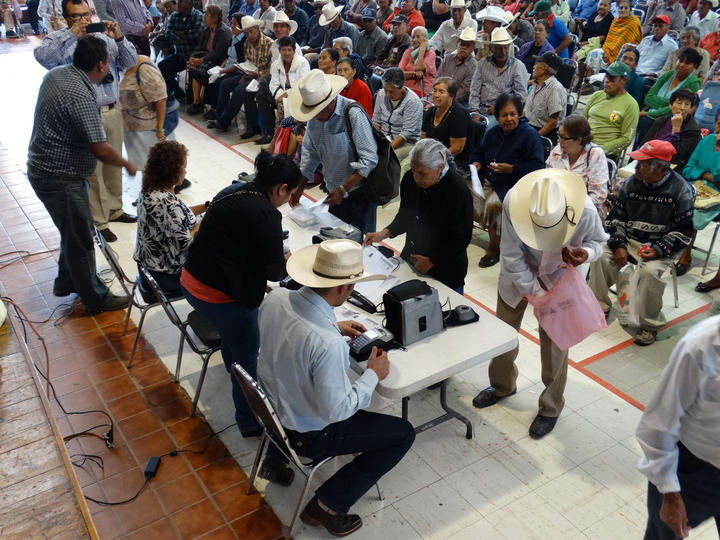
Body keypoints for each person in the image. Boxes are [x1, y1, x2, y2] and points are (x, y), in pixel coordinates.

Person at [257, 239, 415, 537]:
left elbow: (292, 336)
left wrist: (332, 325)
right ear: (344, 289)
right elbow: (337, 409)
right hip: (310, 434)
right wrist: (372, 375)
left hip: (273, 411)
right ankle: (328, 505)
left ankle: (274, 462)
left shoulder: (276, 297)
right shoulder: (327, 344)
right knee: (403, 434)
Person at [472, 168, 609, 438]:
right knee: (504, 335)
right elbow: (511, 256)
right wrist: (535, 293)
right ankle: (502, 386)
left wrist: (587, 253)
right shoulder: (514, 201)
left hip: (560, 279)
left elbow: (599, 242)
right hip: (517, 278)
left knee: (556, 346)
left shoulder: (586, 211)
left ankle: (550, 408)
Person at [181, 151, 301, 437]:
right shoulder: (267, 214)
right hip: (221, 298)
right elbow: (274, 273)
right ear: (281, 188)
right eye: (290, 194)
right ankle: (247, 422)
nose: (288, 201)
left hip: (190, 283)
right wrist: (289, 263)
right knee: (247, 362)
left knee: (234, 342)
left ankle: (231, 366)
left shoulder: (232, 190)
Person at [28, 36, 135, 314]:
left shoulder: (58, 75)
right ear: (101, 64)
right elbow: (100, 148)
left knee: (73, 230)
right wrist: (127, 164)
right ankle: (95, 298)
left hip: (45, 168)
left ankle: (65, 281)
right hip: (59, 177)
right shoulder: (80, 94)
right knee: (81, 239)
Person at [34, 0, 139, 244]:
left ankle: (115, 209)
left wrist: (120, 38)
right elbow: (43, 59)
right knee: (93, 171)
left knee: (112, 168)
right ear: (66, 17)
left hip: (112, 109)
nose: (83, 21)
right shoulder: (58, 38)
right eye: (76, 17)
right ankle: (99, 221)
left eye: (86, 15)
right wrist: (71, 35)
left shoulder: (103, 38)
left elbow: (130, 61)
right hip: (84, 113)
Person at [588, 140, 694, 346]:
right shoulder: (630, 184)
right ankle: (598, 306)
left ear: (660, 167)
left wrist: (657, 250)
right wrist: (619, 245)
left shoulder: (681, 190)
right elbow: (615, 218)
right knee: (600, 255)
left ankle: (648, 325)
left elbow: (683, 232)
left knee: (649, 273)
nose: (635, 167)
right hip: (629, 239)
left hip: (661, 246)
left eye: (642, 163)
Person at [636, 315, 720, 540]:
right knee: (664, 535)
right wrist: (670, 494)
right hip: (693, 473)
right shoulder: (700, 346)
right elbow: (657, 426)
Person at [364, 139, 473, 291]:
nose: (416, 177)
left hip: (446, 269)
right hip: (412, 257)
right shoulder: (410, 179)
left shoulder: (457, 189)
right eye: (414, 170)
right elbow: (405, 215)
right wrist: (384, 233)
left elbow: (462, 237)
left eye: (422, 174)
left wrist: (432, 260)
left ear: (440, 167)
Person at [291, 69, 379, 234]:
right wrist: (300, 188)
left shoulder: (353, 114)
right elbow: (310, 154)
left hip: (358, 194)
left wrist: (344, 189)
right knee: (334, 239)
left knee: (357, 243)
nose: (315, 117)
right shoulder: (315, 118)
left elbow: (369, 159)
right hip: (333, 192)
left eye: (318, 112)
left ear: (330, 102)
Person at [469, 94, 545, 267]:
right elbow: (478, 152)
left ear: (519, 114)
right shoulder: (494, 132)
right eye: (504, 115)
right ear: (497, 117)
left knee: (494, 204)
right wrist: (477, 162)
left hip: (515, 185)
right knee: (462, 190)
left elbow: (537, 168)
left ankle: (494, 249)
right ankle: (463, 233)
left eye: (513, 114)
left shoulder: (529, 135)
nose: (509, 119)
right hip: (490, 178)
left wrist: (511, 169)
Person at [134, 141, 204, 296]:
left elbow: (178, 215)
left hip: (149, 269)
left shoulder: (150, 190)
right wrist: (204, 221)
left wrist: (207, 206)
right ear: (172, 170)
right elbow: (187, 245)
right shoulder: (167, 203)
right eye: (184, 167)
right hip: (166, 277)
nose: (186, 172)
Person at [206, 16, 272, 133]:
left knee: (239, 91)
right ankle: (220, 117)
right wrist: (244, 75)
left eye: (251, 32)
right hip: (248, 74)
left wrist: (256, 75)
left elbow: (271, 69)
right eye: (246, 33)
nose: (249, 35)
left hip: (262, 78)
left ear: (257, 29)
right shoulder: (246, 43)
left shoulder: (269, 44)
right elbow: (247, 63)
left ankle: (223, 121)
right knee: (225, 84)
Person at [676, 110, 720, 279]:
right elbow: (688, 168)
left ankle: (686, 253)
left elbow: (718, 176)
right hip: (697, 184)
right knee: (672, 198)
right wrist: (704, 174)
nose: (718, 128)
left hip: (717, 194)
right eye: (717, 123)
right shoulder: (707, 140)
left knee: (692, 210)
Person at [119, 56, 172, 178]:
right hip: (133, 127)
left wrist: (159, 129)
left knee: (154, 168)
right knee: (146, 168)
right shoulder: (121, 66)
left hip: (149, 128)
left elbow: (160, 99)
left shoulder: (144, 68)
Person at [468, 27, 529, 128]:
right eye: (498, 48)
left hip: (503, 112)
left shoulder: (517, 66)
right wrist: (475, 110)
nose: (503, 51)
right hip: (481, 108)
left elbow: (520, 96)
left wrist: (500, 107)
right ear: (492, 48)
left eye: (505, 47)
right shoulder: (482, 63)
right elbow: (474, 89)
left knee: (487, 129)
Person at [638, 48, 702, 140]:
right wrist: (668, 103)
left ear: (694, 67)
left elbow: (676, 109)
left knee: (644, 123)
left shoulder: (693, 83)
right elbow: (648, 98)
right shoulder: (668, 75)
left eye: (687, 63)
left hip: (670, 119)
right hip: (649, 113)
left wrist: (648, 114)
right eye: (680, 60)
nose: (682, 65)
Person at [546, 115, 608, 209]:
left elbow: (598, 196)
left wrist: (569, 207)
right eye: (559, 136)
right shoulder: (557, 151)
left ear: (579, 139)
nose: (559, 141)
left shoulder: (595, 155)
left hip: (583, 211)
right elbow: (546, 180)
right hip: (554, 206)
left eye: (563, 138)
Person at [257, 35, 311, 143]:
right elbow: (273, 84)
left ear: (294, 50)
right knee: (261, 96)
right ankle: (269, 133)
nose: (286, 53)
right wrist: (279, 96)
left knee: (281, 105)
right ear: (279, 51)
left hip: (299, 96)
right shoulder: (276, 64)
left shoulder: (303, 63)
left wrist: (285, 95)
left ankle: (280, 139)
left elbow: (302, 85)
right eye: (283, 50)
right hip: (281, 94)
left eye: (289, 50)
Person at [582, 61, 639, 160]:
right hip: (582, 146)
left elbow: (627, 138)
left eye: (612, 78)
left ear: (624, 81)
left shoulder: (631, 104)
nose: (607, 81)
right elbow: (582, 121)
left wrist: (600, 150)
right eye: (607, 77)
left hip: (604, 155)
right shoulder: (597, 95)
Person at [186, 5, 234, 114]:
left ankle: (204, 102)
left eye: (207, 14)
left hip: (219, 60)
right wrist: (192, 57)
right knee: (193, 68)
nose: (204, 16)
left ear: (215, 17)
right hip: (207, 57)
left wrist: (200, 60)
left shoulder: (224, 32)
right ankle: (196, 102)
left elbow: (217, 53)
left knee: (207, 72)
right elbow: (199, 47)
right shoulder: (207, 29)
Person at [640, 87, 702, 170]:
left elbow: (677, 155)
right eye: (679, 103)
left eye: (687, 104)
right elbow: (645, 143)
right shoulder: (661, 120)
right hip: (650, 159)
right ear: (671, 105)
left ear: (690, 108)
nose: (682, 108)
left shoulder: (693, 130)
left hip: (673, 166)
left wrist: (676, 129)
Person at [372, 67, 424, 163]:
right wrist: (374, 141)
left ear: (401, 88)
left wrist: (387, 149)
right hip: (384, 138)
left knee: (386, 159)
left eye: (391, 91)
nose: (387, 94)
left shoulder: (412, 101)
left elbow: (406, 133)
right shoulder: (381, 94)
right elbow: (376, 122)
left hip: (406, 142)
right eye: (385, 90)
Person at [158, 0, 204, 101]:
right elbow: (168, 33)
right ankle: (178, 93)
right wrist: (180, 39)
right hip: (180, 56)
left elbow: (196, 34)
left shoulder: (198, 16)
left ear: (188, 4)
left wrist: (179, 33)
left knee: (191, 98)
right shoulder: (175, 15)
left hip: (195, 58)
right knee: (162, 66)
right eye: (178, 3)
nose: (178, 5)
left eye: (181, 3)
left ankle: (191, 98)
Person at [524, 51, 566, 143]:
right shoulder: (536, 83)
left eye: (537, 64)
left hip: (542, 134)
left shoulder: (555, 89)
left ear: (544, 68)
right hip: (527, 127)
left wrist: (534, 138)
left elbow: (553, 122)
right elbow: (526, 111)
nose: (534, 67)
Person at [422, 77, 468, 158]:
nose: (436, 95)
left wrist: (436, 158)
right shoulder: (430, 111)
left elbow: (457, 148)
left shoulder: (459, 114)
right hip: (431, 155)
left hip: (452, 159)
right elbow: (422, 137)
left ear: (452, 95)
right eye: (434, 91)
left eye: (441, 92)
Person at [435, 26, 478, 105]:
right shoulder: (447, 58)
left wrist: (444, 100)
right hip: (439, 98)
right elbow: (437, 79)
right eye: (462, 44)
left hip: (457, 103)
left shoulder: (473, 66)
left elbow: (463, 92)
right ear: (457, 45)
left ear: (472, 48)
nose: (464, 47)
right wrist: (433, 98)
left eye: (467, 45)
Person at [398, 26, 436, 97]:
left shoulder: (430, 53)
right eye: (413, 37)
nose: (414, 39)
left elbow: (418, 68)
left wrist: (422, 49)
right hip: (404, 87)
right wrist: (414, 74)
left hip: (421, 89)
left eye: (418, 37)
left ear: (425, 39)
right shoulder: (408, 51)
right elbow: (399, 74)